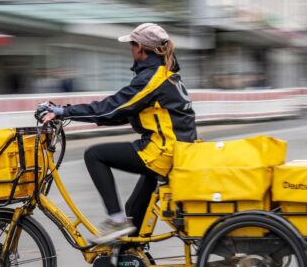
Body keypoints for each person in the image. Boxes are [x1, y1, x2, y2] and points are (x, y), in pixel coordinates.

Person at [37, 22, 197, 248]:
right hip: (178, 150)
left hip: (163, 152)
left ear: (140, 48)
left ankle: (115, 219)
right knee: (134, 213)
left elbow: (112, 107)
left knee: (95, 155)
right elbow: (125, 112)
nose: (131, 50)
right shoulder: (167, 75)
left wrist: (63, 112)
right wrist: (87, 116)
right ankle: (128, 262)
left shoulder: (153, 78)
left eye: (131, 46)